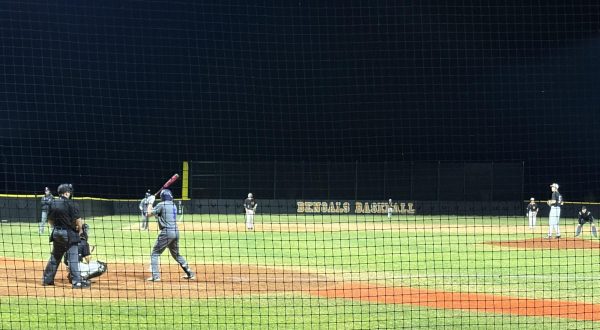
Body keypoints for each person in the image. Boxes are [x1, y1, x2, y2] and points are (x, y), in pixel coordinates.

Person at [41, 183, 91, 288]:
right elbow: (78, 220)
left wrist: (55, 227)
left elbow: (49, 220)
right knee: (73, 257)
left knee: (55, 256)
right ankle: (77, 282)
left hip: (56, 233)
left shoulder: (52, 203)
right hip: (69, 234)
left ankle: (47, 280)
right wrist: (81, 230)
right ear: (67, 193)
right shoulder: (72, 204)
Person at [146, 189, 195, 282]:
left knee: (155, 254)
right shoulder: (173, 205)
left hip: (166, 232)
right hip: (176, 232)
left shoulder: (161, 205)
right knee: (176, 255)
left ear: (162, 197)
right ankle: (190, 273)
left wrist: (150, 202)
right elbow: (158, 215)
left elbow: (148, 214)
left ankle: (155, 276)